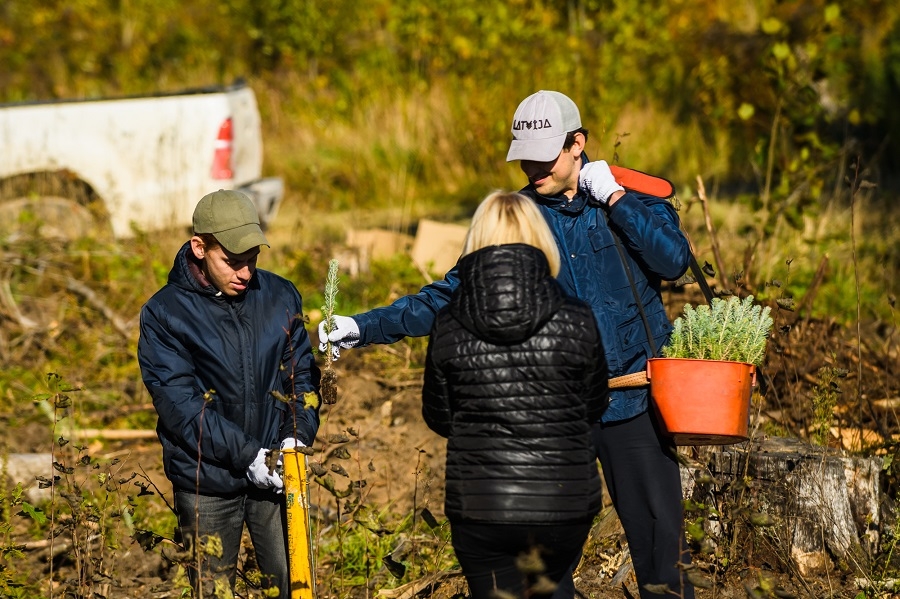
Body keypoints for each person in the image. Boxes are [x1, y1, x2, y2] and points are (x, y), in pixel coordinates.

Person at [320, 90, 695, 599]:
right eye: (525, 156)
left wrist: (616, 199)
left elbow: (674, 263)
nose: (532, 166)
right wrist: (363, 326)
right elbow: (447, 297)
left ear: (577, 144)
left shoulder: (629, 198)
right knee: (544, 575)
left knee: (661, 561)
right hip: (561, 416)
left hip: (637, 402)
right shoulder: (520, 220)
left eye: (544, 154)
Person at [421, 190, 608, 598]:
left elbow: (439, 416)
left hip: (482, 505)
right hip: (563, 503)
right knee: (547, 587)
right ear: (541, 239)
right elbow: (594, 404)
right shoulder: (577, 317)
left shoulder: (448, 322)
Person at [138, 189, 320, 599]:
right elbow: (180, 406)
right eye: (232, 262)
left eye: (252, 260)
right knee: (213, 591)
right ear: (199, 247)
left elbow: (301, 376)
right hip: (206, 484)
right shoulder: (165, 313)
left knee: (294, 585)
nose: (246, 273)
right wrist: (247, 455)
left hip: (276, 475)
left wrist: (296, 434)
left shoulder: (279, 295)